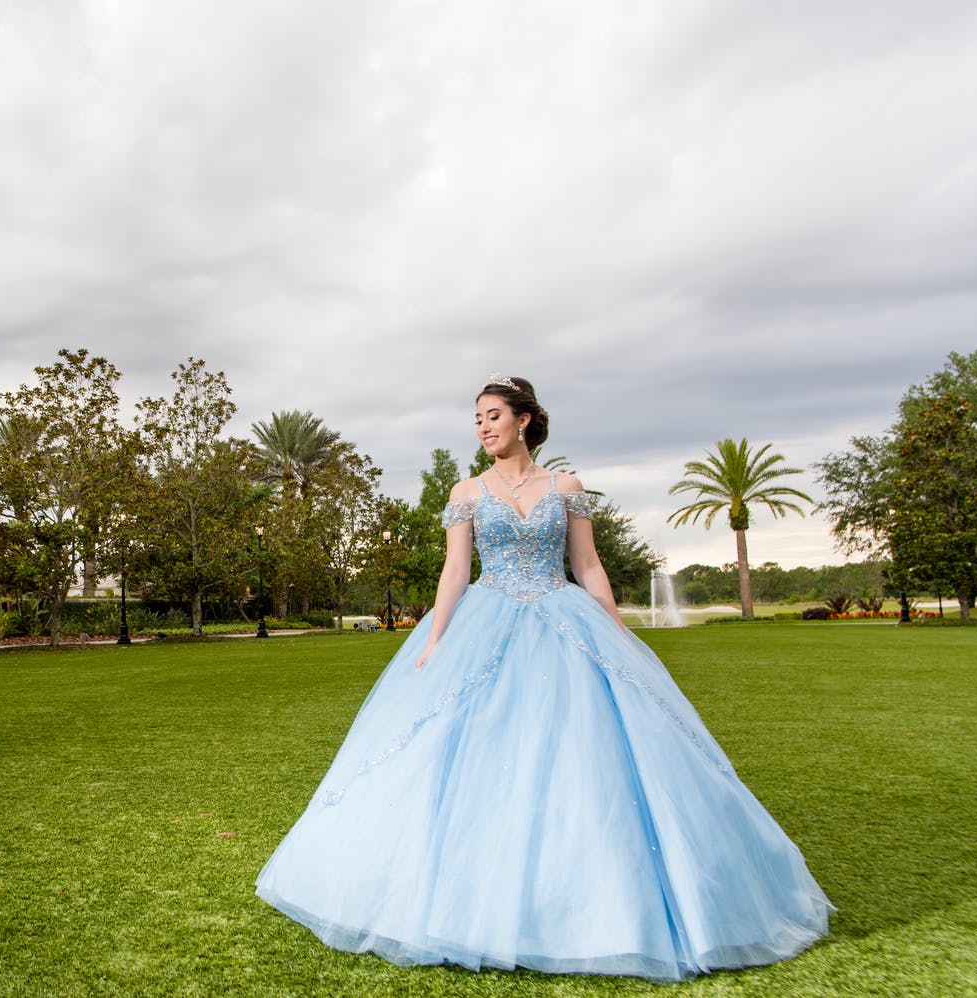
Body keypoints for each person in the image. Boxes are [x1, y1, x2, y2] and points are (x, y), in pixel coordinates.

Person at [255, 375, 833, 981]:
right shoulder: (468, 491)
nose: (483, 427)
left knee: (582, 754)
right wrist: (433, 642)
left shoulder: (567, 486)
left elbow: (587, 564)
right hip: (487, 619)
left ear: (524, 420)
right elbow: (455, 572)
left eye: (493, 415)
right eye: (477, 418)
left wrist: (614, 630)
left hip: (564, 620)